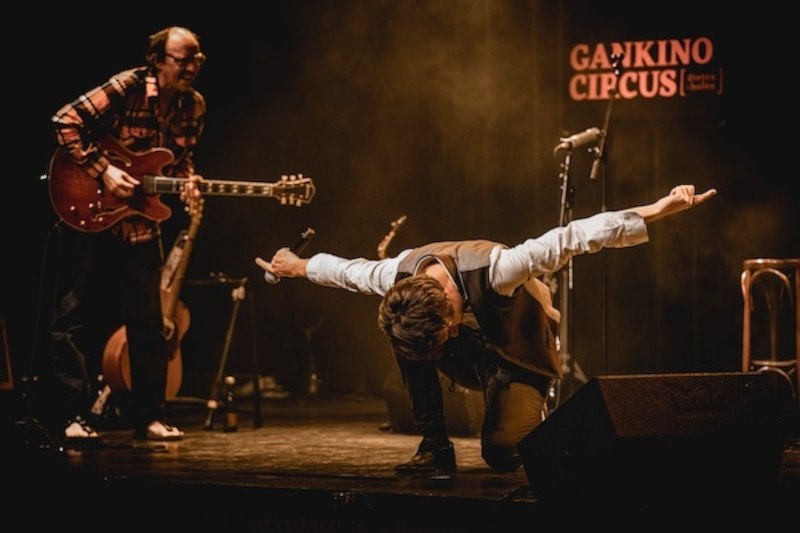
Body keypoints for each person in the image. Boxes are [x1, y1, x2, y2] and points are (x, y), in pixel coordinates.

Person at [255, 184, 717, 473]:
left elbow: (574, 236)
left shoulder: (497, 269)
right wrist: (296, 264)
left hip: (519, 350)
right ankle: (435, 448)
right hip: (473, 355)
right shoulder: (397, 275)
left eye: (449, 326)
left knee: (501, 454)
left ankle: (530, 418)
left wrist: (658, 210)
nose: (450, 333)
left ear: (451, 304)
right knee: (403, 336)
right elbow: (346, 270)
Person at [45, 26, 207, 442]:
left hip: (139, 223)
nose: (192, 67)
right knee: (73, 316)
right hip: (88, 210)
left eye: (197, 59)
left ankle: (148, 416)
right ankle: (71, 415)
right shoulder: (129, 84)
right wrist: (103, 169)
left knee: (149, 323)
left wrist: (188, 181)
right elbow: (65, 119)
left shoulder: (194, 106)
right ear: (158, 60)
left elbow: (179, 161)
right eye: (183, 59)